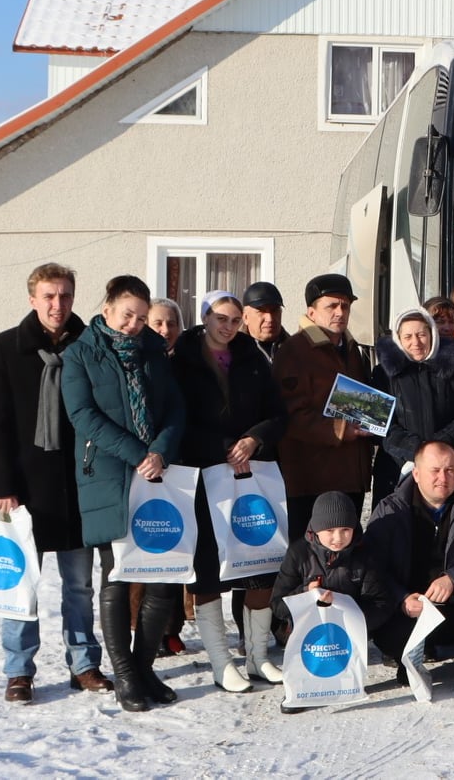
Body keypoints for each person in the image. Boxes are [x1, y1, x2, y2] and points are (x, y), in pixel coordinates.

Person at [61, 275, 187, 713]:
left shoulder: (154, 350)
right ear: (107, 309)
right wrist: (138, 454)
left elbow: (175, 407)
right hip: (109, 475)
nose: (134, 324)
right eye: (127, 315)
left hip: (157, 474)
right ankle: (126, 674)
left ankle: (145, 667)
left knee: (162, 574)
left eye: (141, 317)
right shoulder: (80, 353)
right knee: (116, 576)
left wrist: (161, 451)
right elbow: (83, 415)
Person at [0, 262, 106, 703]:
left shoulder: (90, 343)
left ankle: (84, 664)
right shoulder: (5, 347)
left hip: (79, 485)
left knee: (79, 586)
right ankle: (19, 670)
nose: (58, 304)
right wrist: (3, 486)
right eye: (49, 296)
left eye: (65, 295)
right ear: (33, 299)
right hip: (26, 489)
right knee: (22, 583)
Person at [170, 291, 288, 692]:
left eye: (235, 320)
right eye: (221, 318)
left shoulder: (253, 359)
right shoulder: (183, 361)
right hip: (205, 477)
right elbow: (179, 422)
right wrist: (223, 447)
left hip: (251, 473)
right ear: (205, 317)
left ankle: (257, 656)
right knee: (208, 572)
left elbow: (278, 414)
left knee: (260, 565)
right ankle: (221, 663)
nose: (228, 326)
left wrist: (254, 439)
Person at [364, 441, 454, 696]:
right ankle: (409, 660)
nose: (443, 478)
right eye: (435, 470)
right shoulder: (390, 510)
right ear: (417, 474)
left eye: (450, 470)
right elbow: (373, 564)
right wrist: (401, 598)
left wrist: (453, 579)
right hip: (411, 608)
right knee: (381, 612)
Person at [269, 490, 396, 714]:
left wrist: (345, 610)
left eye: (345, 529)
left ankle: (345, 681)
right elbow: (277, 605)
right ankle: (302, 688)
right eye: (329, 530)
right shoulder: (299, 553)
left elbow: (381, 603)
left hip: (348, 634)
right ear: (316, 529)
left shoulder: (365, 555)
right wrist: (306, 593)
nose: (338, 538)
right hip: (307, 636)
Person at [273, 274, 374, 543]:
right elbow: (289, 415)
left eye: (346, 306)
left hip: (350, 475)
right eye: (332, 306)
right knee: (310, 556)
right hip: (311, 479)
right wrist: (340, 429)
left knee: (348, 554)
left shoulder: (352, 348)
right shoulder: (294, 350)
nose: (340, 312)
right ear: (311, 312)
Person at [371, 307, 454, 501]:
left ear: (432, 335)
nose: (416, 342)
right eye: (408, 336)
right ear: (398, 339)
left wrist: (437, 447)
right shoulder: (384, 374)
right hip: (397, 467)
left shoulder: (452, 369)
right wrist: (416, 449)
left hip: (446, 466)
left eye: (421, 335)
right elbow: (381, 424)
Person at [241, 282, 290, 361]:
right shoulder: (232, 352)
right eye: (261, 311)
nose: (270, 318)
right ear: (245, 317)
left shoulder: (297, 349)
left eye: (274, 311)